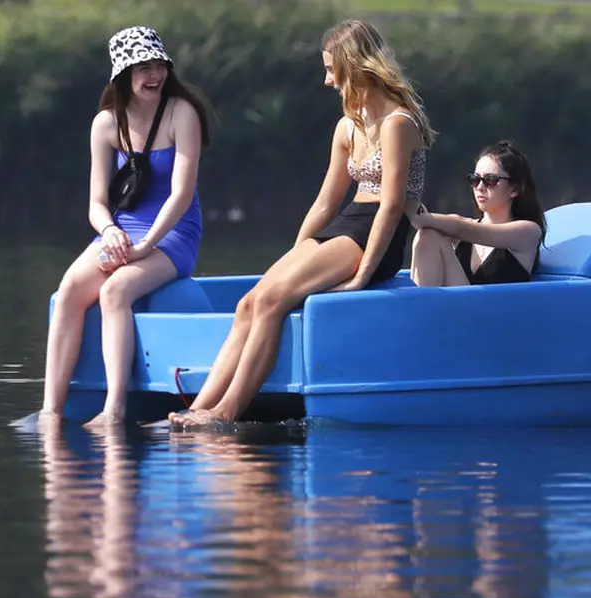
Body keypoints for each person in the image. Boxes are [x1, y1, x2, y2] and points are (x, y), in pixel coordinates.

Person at [169, 19, 434, 428]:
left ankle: (226, 412)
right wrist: (296, 252)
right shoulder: (348, 125)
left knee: (273, 303)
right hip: (345, 225)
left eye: (331, 69)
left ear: (354, 65)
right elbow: (327, 201)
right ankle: (197, 409)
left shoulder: (398, 123)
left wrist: (364, 273)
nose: (327, 80)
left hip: (374, 234)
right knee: (250, 301)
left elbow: (392, 206)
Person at [38, 26, 212, 431]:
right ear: (122, 76)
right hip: (124, 229)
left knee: (115, 290)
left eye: (159, 66)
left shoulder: (181, 113)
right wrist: (112, 232)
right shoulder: (105, 124)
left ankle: (114, 409)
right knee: (68, 292)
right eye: (142, 68)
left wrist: (147, 245)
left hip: (173, 232)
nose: (154, 75)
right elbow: (97, 204)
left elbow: (182, 195)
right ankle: (51, 409)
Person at [409, 140, 545, 287]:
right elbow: (459, 224)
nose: (480, 187)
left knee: (431, 229)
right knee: (428, 235)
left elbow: (466, 229)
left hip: (499, 309)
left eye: (490, 180)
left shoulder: (529, 232)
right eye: (475, 179)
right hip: (459, 308)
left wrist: (426, 218)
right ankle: (420, 306)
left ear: (515, 189)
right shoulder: (464, 229)